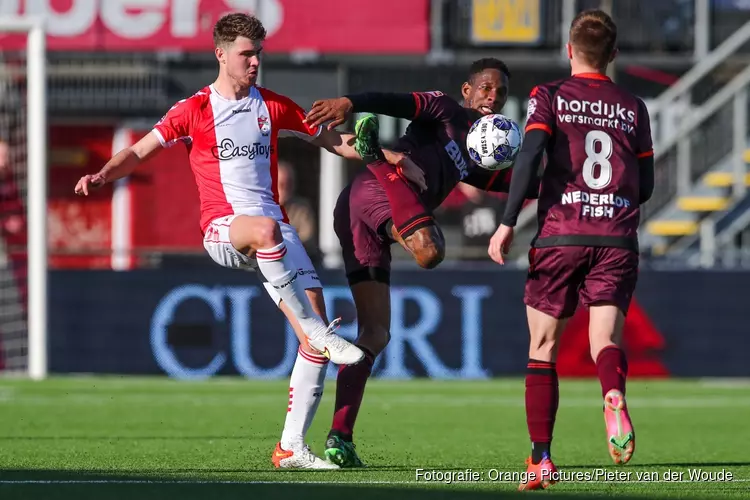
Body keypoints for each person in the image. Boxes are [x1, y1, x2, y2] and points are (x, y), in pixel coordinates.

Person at [74, 13, 424, 470]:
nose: (255, 62)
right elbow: (141, 150)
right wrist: (102, 174)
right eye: (246, 54)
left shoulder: (272, 106)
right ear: (221, 54)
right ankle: (318, 334)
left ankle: (291, 448)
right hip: (225, 230)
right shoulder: (193, 109)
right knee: (267, 233)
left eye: (259, 53)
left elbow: (334, 141)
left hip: (274, 232)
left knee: (313, 331)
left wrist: (393, 156)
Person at [303, 58, 540, 467]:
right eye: (485, 87)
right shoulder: (446, 110)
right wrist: (349, 101)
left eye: (500, 92)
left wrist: (576, 183)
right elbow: (395, 102)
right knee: (430, 252)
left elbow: (522, 185)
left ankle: (340, 436)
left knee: (375, 334)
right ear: (468, 90)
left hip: (361, 214)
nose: (492, 97)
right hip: (372, 191)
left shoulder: (481, 153)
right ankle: (376, 156)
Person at [487, 10, 655, 490]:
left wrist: (507, 223)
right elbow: (642, 187)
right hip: (617, 237)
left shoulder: (550, 96)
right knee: (605, 340)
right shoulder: (633, 106)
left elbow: (531, 154)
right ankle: (614, 393)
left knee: (543, 348)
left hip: (562, 233)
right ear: (614, 56)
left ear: (569, 50)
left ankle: (541, 459)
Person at [277, 160, 322, 266]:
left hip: (297, 265)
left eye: (289, 183)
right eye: (281, 184)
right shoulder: (260, 206)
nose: (285, 188)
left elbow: (307, 240)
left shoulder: (302, 208)